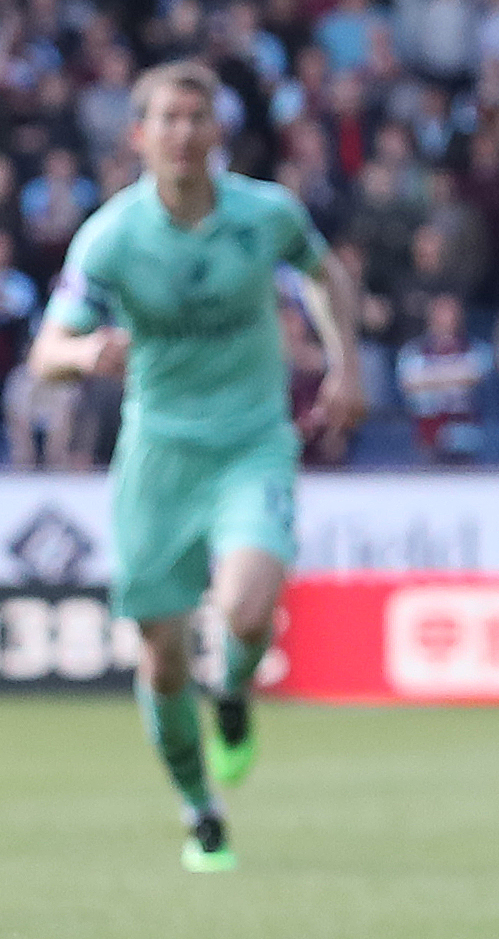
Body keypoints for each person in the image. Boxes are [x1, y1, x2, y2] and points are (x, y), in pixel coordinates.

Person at [25, 63, 360, 871]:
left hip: (253, 441)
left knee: (247, 611)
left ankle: (236, 690)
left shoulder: (265, 214)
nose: (183, 133)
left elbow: (326, 275)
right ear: (139, 137)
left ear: (218, 132)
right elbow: (45, 354)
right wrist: (84, 352)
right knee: (162, 652)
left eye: (196, 118)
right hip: (159, 454)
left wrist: (346, 367)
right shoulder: (111, 236)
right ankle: (198, 808)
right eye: (166, 119)